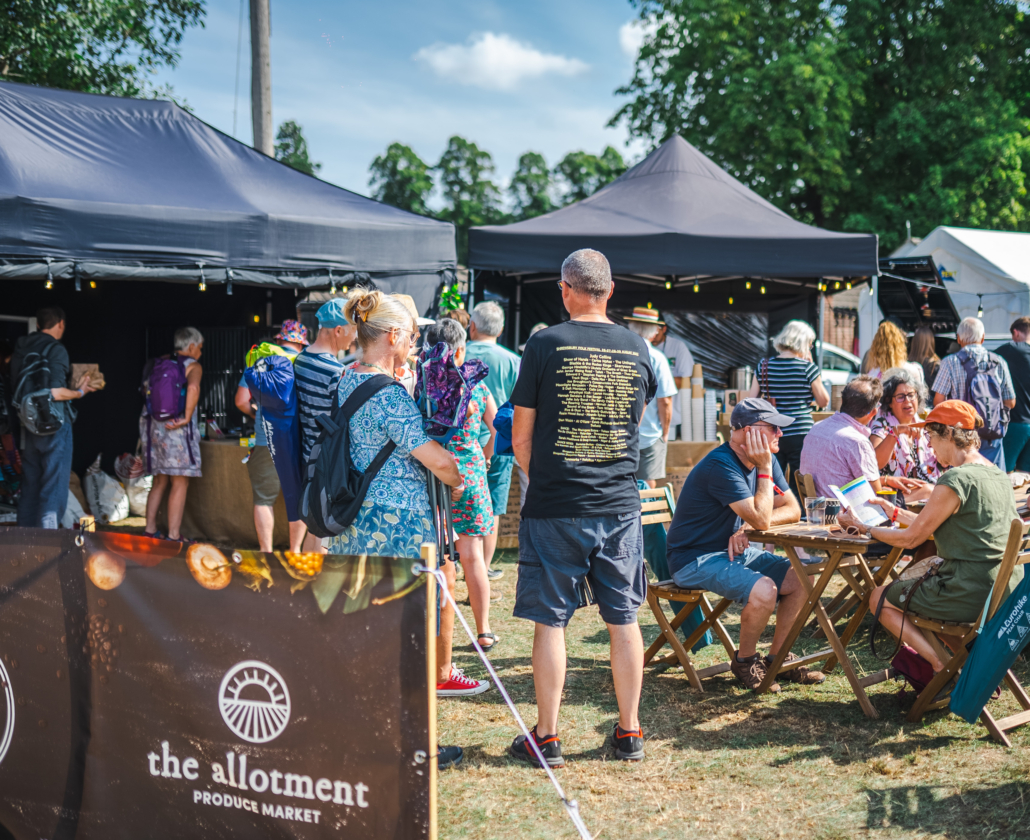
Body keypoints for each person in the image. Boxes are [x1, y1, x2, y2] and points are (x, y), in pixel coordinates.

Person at [509, 248, 657, 766]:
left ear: (566, 289)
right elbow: (634, 427)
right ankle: (630, 731)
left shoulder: (545, 343)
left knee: (551, 622)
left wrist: (547, 480)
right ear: (610, 291)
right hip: (619, 502)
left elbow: (520, 436)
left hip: (556, 502)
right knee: (623, 618)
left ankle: (547, 737)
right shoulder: (639, 347)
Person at [326, 291, 486, 704]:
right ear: (393, 334)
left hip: (357, 515)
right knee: (408, 621)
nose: (415, 344)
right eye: (413, 336)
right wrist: (457, 477)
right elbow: (437, 461)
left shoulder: (347, 377)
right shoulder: (389, 394)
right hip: (397, 524)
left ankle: (363, 708)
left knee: (368, 617)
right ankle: (405, 728)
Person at [842, 401, 1023, 679]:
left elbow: (912, 539)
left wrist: (865, 528)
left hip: (972, 591)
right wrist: (897, 512)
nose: (929, 446)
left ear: (949, 434)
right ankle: (966, 666)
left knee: (879, 598)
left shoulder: (955, 478)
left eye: (930, 437)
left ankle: (940, 667)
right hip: (1008, 590)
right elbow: (940, 524)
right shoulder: (997, 473)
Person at [667, 398, 821, 691]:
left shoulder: (765, 458)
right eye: (774, 428)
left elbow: (792, 508)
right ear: (748, 431)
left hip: (731, 554)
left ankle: (778, 659)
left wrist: (748, 526)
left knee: (803, 577)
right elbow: (765, 518)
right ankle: (746, 661)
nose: (780, 435)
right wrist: (763, 473)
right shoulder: (722, 465)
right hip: (693, 559)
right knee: (766, 590)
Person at [425, 318, 500, 651]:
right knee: (473, 557)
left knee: (439, 557)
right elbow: (498, 428)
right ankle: (483, 631)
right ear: (459, 350)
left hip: (434, 472)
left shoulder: (425, 386)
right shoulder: (478, 387)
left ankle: (437, 630)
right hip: (470, 472)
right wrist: (483, 456)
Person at [11, 306, 96, 528]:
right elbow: (56, 392)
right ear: (61, 324)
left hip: (28, 425)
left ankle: (24, 545)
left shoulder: (20, 349)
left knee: (30, 485)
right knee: (54, 485)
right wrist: (79, 392)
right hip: (55, 425)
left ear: (38, 325)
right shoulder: (56, 349)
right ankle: (48, 544)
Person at [234, 321, 309, 553]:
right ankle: (295, 552)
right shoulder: (304, 363)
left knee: (264, 499)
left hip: (265, 438)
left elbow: (240, 401)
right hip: (295, 440)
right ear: (300, 343)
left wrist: (255, 414)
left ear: (279, 339)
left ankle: (267, 554)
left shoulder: (260, 359)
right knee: (298, 501)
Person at [293, 298, 354, 551]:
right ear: (338, 330)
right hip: (327, 462)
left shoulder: (301, 359)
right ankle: (314, 585)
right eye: (352, 332)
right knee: (324, 532)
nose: (353, 341)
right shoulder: (334, 371)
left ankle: (307, 581)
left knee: (314, 527)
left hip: (307, 453)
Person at [465, 300, 521, 582]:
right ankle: (483, 568)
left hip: (461, 442)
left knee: (459, 498)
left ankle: (462, 561)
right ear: (500, 330)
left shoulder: (458, 354)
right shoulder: (513, 360)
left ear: (472, 326)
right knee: (494, 504)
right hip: (499, 442)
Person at [141, 327, 203, 541]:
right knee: (179, 482)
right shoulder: (192, 365)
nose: (201, 353)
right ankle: (174, 535)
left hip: (154, 427)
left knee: (159, 480)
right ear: (192, 346)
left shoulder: (160, 363)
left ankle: (149, 530)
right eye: (200, 348)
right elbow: (193, 388)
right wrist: (186, 417)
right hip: (176, 428)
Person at [747, 320, 829, 477]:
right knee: (800, 480)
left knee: (772, 479)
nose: (810, 347)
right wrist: (811, 366)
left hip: (773, 431)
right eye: (810, 344)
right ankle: (795, 502)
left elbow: (751, 401)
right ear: (802, 342)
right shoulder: (807, 368)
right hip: (801, 432)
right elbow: (823, 401)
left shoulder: (764, 366)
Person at [931, 316, 1015, 468]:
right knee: (993, 482)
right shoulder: (999, 361)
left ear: (958, 339)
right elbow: (1010, 402)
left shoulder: (950, 362)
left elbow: (938, 401)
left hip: (961, 436)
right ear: (983, 338)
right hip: (992, 435)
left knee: (964, 483)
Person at [798, 376, 886, 498]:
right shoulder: (857, 442)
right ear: (873, 412)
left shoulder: (816, 428)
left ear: (843, 401)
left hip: (818, 510)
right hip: (846, 513)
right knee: (919, 493)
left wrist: (886, 480)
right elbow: (877, 495)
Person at [624, 308, 676, 487]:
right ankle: (644, 515)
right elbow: (665, 400)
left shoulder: (621, 354)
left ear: (631, 326)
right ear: (654, 332)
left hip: (620, 432)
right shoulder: (657, 358)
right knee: (647, 483)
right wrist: (666, 432)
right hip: (650, 434)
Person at [868, 368, 939, 495]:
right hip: (894, 495)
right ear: (889, 402)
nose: (907, 401)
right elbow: (875, 463)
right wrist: (895, 433)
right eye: (900, 397)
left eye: (911, 395)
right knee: (929, 491)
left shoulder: (925, 427)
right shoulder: (882, 426)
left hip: (926, 490)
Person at [649, 311, 694, 439]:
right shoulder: (642, 346)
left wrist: (655, 381)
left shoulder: (678, 347)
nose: (654, 333)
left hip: (674, 414)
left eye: (656, 329)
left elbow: (685, 381)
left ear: (664, 329)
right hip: (649, 418)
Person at [996, 317, 1030, 473]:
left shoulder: (1012, 349)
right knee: (1025, 476)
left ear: (1016, 333)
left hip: (1016, 423)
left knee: (1003, 473)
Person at [909, 325, 941, 394]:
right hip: (932, 403)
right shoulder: (936, 365)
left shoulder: (907, 364)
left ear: (914, 343)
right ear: (931, 342)